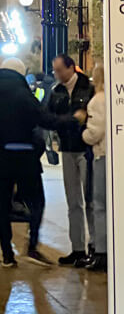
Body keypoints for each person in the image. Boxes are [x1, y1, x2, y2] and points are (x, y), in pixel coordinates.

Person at [0, 56, 78, 267]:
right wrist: (71, 120)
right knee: (37, 201)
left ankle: (7, 254)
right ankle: (32, 246)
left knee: (3, 205)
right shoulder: (23, 94)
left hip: (0, 157)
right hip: (24, 157)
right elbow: (44, 119)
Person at [48, 54, 94, 266]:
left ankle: (95, 247)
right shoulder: (56, 92)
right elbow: (48, 117)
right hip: (67, 148)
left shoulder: (88, 88)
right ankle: (77, 248)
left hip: (86, 149)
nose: (56, 74)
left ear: (71, 68)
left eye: (59, 70)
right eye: (55, 70)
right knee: (73, 201)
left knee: (92, 200)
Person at [81, 64, 105, 272]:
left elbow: (94, 132)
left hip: (101, 155)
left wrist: (84, 135)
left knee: (99, 204)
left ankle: (101, 251)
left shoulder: (97, 101)